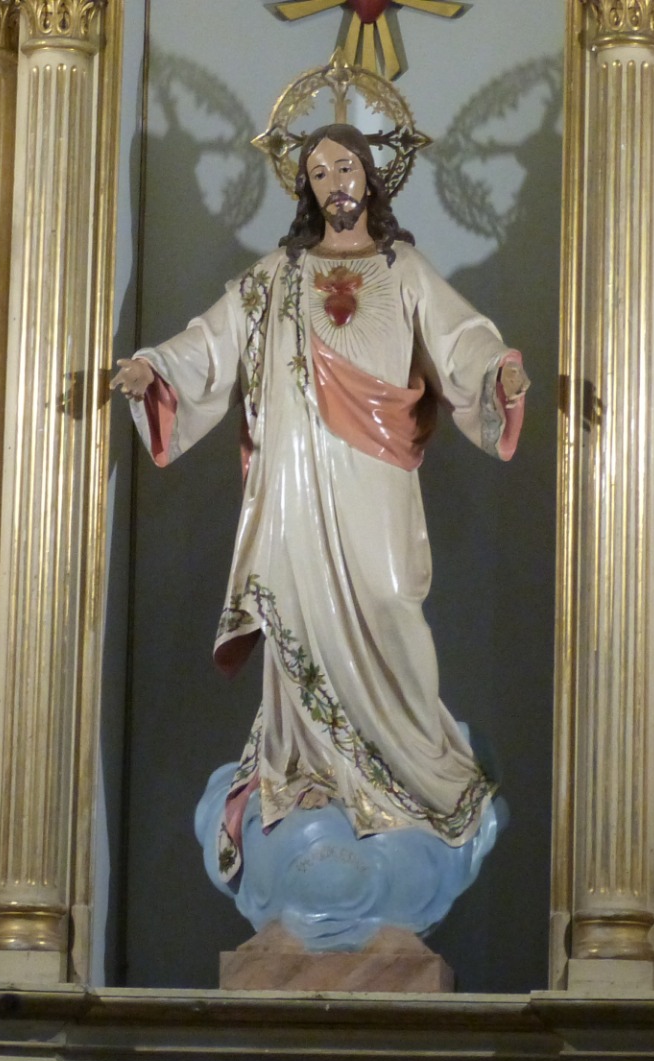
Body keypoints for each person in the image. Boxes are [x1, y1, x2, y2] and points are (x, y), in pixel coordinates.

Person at [111, 124, 528, 883]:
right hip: (297, 480)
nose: (335, 180)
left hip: (377, 474)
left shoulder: (403, 269)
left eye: (346, 166)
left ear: (370, 176)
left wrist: (497, 369)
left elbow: (460, 337)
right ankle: (311, 766)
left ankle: (412, 766)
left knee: (390, 599)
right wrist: (154, 369)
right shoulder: (277, 277)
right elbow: (210, 342)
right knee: (300, 611)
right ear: (306, 186)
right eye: (319, 170)